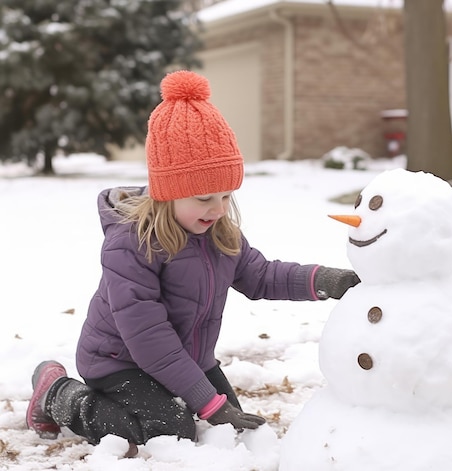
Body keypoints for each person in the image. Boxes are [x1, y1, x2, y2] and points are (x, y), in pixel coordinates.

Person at [26, 70, 360, 446]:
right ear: (168, 192)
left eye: (226, 196)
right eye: (204, 198)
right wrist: (207, 402)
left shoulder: (217, 232)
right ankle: (58, 393)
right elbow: (148, 337)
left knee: (229, 431)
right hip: (119, 363)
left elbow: (261, 276)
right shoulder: (132, 244)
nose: (218, 209)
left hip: (187, 360)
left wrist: (326, 280)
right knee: (171, 429)